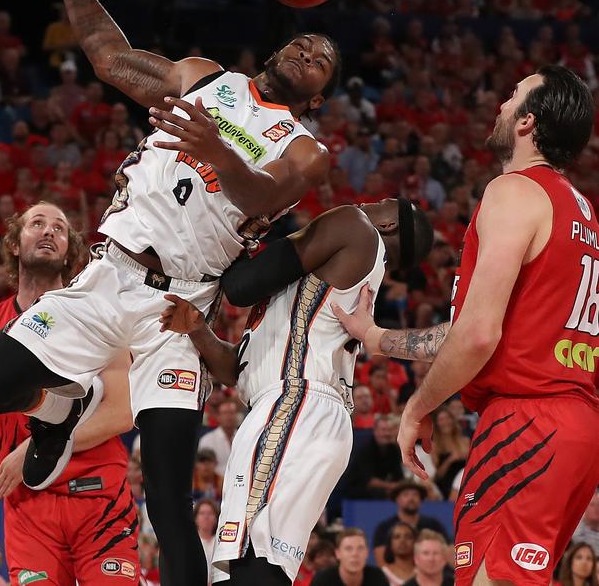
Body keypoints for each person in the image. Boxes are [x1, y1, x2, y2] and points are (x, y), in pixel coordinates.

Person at [0, 0, 340, 586]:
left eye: (322, 61)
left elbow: (261, 197)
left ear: (318, 98)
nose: (308, 52)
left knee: (166, 495)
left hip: (179, 312)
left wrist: (217, 151)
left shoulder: (305, 148)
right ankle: (61, 402)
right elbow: (107, 55)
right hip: (108, 274)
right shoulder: (204, 77)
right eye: (304, 43)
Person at [336, 66, 599, 586]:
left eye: (512, 96)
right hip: (575, 426)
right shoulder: (582, 210)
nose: (500, 105)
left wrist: (419, 404)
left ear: (527, 122)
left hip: (527, 424)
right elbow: (472, 330)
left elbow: (478, 335)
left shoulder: (513, 192)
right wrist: (376, 338)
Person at [159, 198, 433, 584]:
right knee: (259, 562)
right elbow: (237, 372)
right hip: (299, 408)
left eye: (382, 203)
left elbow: (241, 286)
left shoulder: (354, 225)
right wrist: (199, 330)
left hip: (296, 403)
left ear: (389, 226)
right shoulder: (331, 281)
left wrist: (243, 225)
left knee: (249, 558)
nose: (367, 202)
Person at [0, 202, 139, 583]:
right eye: (37, 223)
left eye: (60, 228)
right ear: (15, 244)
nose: (50, 231)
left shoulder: (99, 315)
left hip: (98, 496)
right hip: (28, 505)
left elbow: (123, 411)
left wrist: (34, 448)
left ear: (70, 251)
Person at [371, 483, 450, 563]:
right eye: (406, 495)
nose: (411, 498)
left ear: (420, 500)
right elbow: (382, 562)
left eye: (415, 495)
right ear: (397, 499)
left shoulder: (434, 525)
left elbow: (449, 551)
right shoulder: (385, 528)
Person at [343, 415, 404, 500]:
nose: (387, 434)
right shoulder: (365, 449)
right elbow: (370, 481)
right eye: (383, 430)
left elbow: (399, 476)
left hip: (384, 488)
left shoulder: (394, 449)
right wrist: (392, 486)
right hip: (358, 489)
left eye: (389, 430)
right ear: (375, 431)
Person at [310, 529, 389, 586]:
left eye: (360, 548)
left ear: (367, 553)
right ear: (338, 553)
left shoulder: (377, 578)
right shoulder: (323, 580)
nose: (355, 554)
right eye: (348, 549)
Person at [197, 399, 239, 476]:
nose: (229, 417)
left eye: (232, 413)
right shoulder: (207, 440)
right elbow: (202, 469)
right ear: (218, 417)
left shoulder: (243, 438)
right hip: (214, 484)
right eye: (225, 413)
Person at [194, 499, 219, 584]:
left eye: (210, 513)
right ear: (195, 518)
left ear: (216, 518)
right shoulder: (191, 545)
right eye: (202, 513)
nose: (206, 517)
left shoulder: (220, 543)